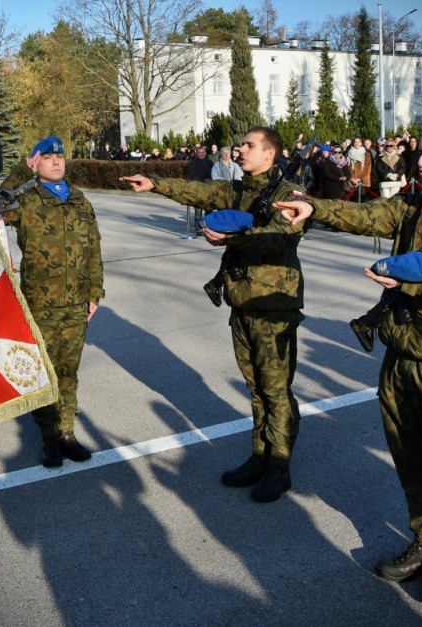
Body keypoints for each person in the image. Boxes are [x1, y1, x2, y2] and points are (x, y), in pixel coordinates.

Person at [276, 124, 422, 610]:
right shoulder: (413, 205)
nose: (421, 160)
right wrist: (315, 208)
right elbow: (365, 214)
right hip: (400, 355)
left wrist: (414, 279)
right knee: (409, 459)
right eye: (420, 151)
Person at [121, 127, 306, 503]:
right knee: (256, 389)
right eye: (241, 146)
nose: (241, 150)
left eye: (250, 146)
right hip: (242, 301)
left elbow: (280, 237)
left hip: (274, 305)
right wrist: (155, 183)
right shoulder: (237, 189)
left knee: (276, 391)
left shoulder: (290, 196)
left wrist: (235, 236)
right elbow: (200, 192)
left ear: (270, 154)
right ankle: (259, 455)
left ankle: (279, 466)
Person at [3, 136, 104, 467]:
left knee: (69, 372)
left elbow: (93, 251)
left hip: (76, 303)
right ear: (37, 163)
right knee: (42, 373)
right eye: (47, 157)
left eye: (59, 156)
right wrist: (20, 172)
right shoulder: (26, 201)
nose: (56, 161)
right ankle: (49, 438)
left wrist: (95, 294)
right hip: (40, 304)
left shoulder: (80, 200)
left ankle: (67, 433)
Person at [187, 145, 215, 231]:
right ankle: (198, 229)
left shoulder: (210, 163)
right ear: (196, 153)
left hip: (208, 189)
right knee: (198, 211)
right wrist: (202, 180)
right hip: (198, 189)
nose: (201, 154)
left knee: (209, 211)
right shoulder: (192, 163)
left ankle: (208, 227)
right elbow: (192, 175)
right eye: (200, 152)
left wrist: (210, 179)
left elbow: (213, 173)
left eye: (203, 152)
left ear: (206, 153)